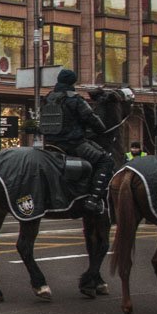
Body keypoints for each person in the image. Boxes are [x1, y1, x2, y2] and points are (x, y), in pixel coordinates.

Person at [39, 68, 115, 214]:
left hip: (50, 144)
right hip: (73, 144)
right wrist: (99, 129)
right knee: (105, 161)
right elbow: (93, 121)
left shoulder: (47, 98)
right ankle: (93, 200)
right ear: (73, 82)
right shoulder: (75, 99)